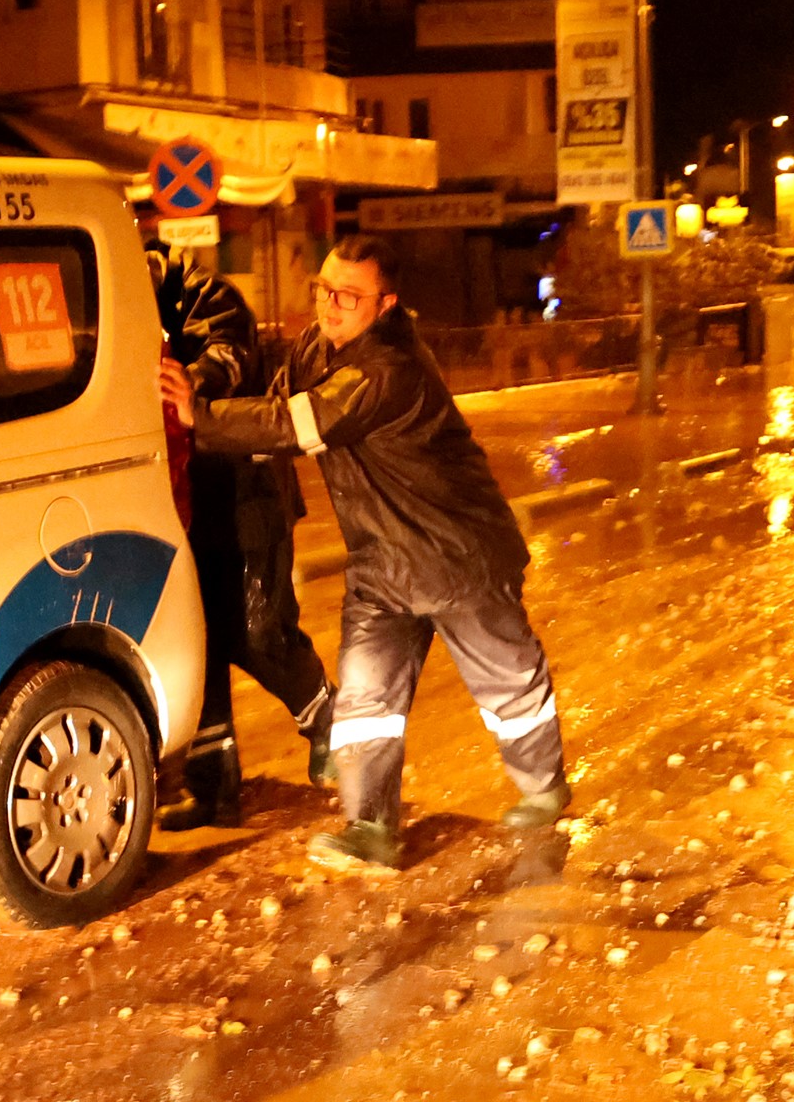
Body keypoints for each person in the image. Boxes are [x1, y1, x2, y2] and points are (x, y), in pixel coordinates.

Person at [163, 233, 564, 875]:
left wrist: (201, 418)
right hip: (381, 562)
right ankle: (370, 827)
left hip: (456, 557)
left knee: (508, 682)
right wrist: (216, 413)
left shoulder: (390, 369)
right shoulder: (320, 346)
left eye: (349, 296)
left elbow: (305, 420)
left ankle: (543, 788)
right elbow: (274, 407)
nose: (331, 305)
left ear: (385, 304)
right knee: (364, 701)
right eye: (324, 290)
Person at [151, 237, 334, 826]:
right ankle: (213, 782)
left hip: (247, 494)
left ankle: (332, 728)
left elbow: (230, 353)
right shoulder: (126, 317)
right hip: (186, 499)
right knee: (199, 636)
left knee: (260, 631)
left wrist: (190, 383)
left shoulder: (206, 293)